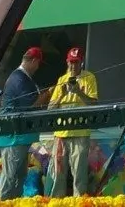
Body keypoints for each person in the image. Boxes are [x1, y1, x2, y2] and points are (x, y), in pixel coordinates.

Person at [41, 48, 99, 197]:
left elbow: (94, 104)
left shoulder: (89, 78)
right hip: (61, 133)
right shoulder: (62, 80)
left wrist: (78, 92)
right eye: (71, 62)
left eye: (76, 62)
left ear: (82, 62)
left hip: (80, 132)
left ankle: (79, 202)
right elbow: (50, 108)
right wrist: (63, 94)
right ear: (67, 62)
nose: (73, 66)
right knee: (58, 174)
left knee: (79, 174)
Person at [0, 47, 43, 201]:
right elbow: (31, 104)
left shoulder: (24, 78)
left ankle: (13, 202)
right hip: (12, 136)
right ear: (34, 61)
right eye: (38, 64)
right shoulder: (19, 78)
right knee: (10, 174)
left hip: (21, 136)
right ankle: (2, 202)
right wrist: (47, 95)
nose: (38, 68)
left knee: (20, 174)